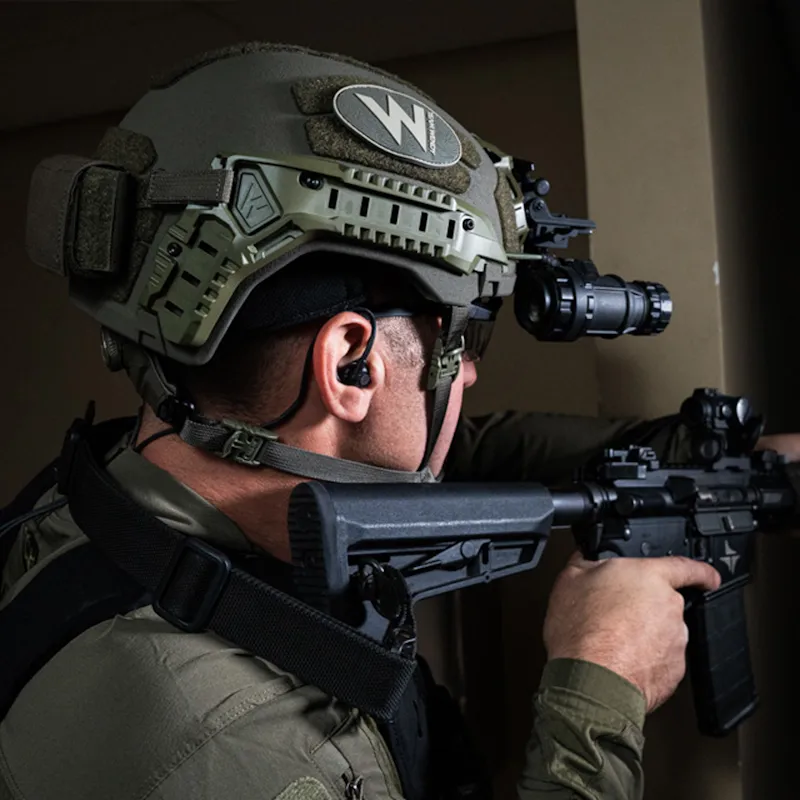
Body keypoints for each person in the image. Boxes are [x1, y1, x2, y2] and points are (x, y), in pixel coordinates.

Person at [0, 42, 795, 800]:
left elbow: (457, 447)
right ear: (351, 365)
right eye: (466, 337)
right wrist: (598, 693)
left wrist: (708, 459)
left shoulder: (106, 494)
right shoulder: (233, 753)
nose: (471, 373)